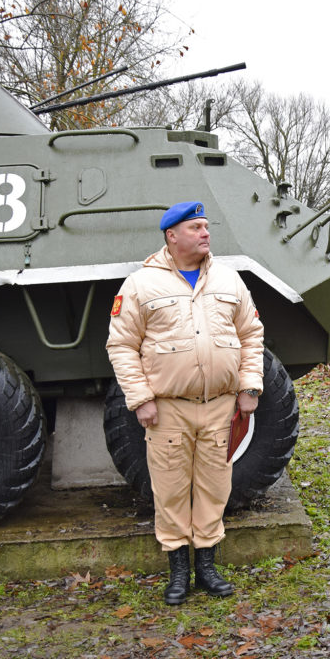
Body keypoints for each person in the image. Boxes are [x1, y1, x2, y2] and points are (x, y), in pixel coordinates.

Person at [106, 201, 265, 605]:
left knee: (214, 487)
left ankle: (207, 567)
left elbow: (252, 334)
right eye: (195, 227)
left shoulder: (230, 280)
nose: (205, 233)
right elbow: (121, 345)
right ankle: (179, 572)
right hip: (168, 409)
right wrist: (140, 399)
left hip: (219, 406)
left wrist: (249, 387)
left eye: (206, 226)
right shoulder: (140, 285)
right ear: (171, 236)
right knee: (171, 489)